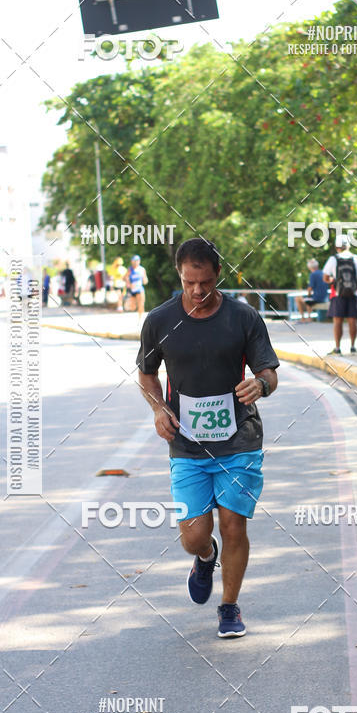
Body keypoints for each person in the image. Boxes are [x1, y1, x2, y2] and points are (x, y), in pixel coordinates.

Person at [137, 238, 279, 639]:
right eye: (189, 282)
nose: (197, 290)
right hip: (186, 444)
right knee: (194, 535)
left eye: (205, 282)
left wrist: (260, 386)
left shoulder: (243, 317)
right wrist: (158, 409)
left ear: (218, 274)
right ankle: (205, 556)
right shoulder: (160, 321)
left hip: (239, 439)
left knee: (233, 525)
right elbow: (146, 374)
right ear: (179, 275)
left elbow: (269, 372)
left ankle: (229, 607)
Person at [322, 235, 357, 354]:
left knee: (338, 321)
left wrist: (334, 281)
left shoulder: (333, 259)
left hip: (338, 294)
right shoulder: (356, 258)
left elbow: (325, 277)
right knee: (352, 320)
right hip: (353, 293)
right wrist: (352, 283)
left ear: (337, 247)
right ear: (348, 246)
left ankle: (337, 348)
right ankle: (353, 347)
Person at [124, 254, 148, 325]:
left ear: (139, 261)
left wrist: (144, 279)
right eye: (134, 261)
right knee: (132, 307)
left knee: (141, 304)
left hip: (140, 289)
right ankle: (136, 318)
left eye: (137, 261)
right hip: (132, 290)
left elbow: (145, 281)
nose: (136, 262)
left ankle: (141, 320)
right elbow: (124, 278)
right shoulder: (130, 269)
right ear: (132, 261)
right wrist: (128, 283)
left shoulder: (142, 269)